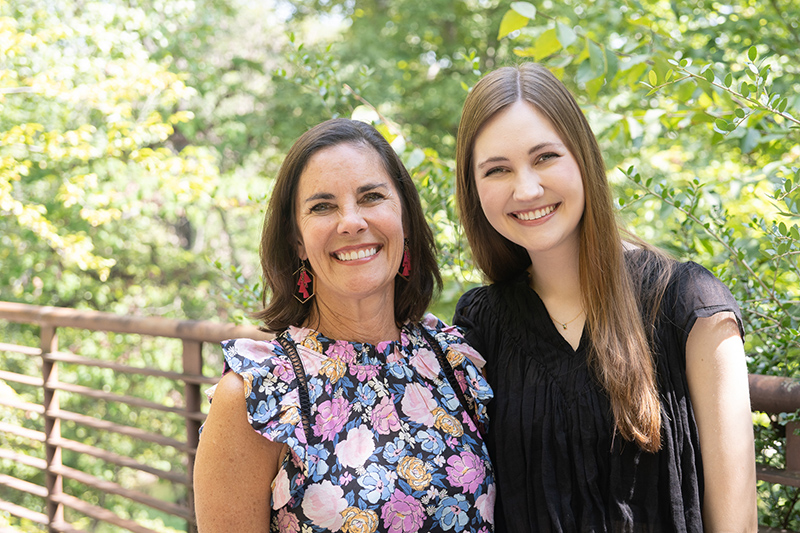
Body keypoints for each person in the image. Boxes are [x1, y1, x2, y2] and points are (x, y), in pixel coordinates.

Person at [452, 63, 757, 532]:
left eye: (545, 157)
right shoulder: (482, 323)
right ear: (473, 190)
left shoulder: (688, 304)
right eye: (497, 169)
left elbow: (736, 523)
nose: (526, 188)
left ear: (583, 158)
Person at [194, 118, 495, 532]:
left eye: (371, 197)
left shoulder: (452, 358)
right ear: (297, 240)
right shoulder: (256, 398)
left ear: (404, 218)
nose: (351, 222)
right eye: (322, 206)